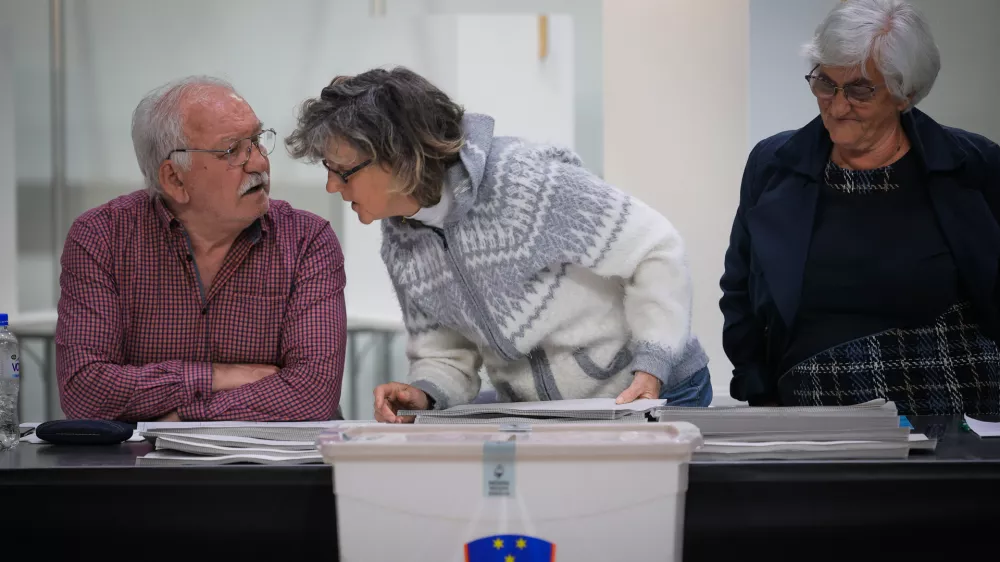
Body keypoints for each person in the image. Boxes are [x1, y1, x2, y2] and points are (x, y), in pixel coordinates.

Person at [286, 67, 711, 422]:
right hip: (551, 415)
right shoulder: (400, 239)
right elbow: (446, 354)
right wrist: (424, 393)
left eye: (343, 171)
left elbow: (656, 248)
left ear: (398, 156)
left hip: (649, 391)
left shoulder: (523, 182)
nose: (332, 185)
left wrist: (653, 364)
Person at [720, 0, 1000, 415]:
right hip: (816, 410)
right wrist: (758, 391)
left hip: (957, 407)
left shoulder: (975, 165)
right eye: (825, 83)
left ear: (905, 94)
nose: (836, 106)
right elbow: (739, 291)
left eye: (860, 90)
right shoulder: (773, 165)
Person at [56, 76, 347, 422]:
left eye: (256, 141)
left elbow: (312, 392)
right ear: (174, 179)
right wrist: (216, 377)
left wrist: (185, 417)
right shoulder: (103, 237)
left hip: (273, 458)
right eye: (232, 150)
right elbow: (85, 390)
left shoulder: (306, 240)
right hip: (141, 458)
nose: (259, 163)